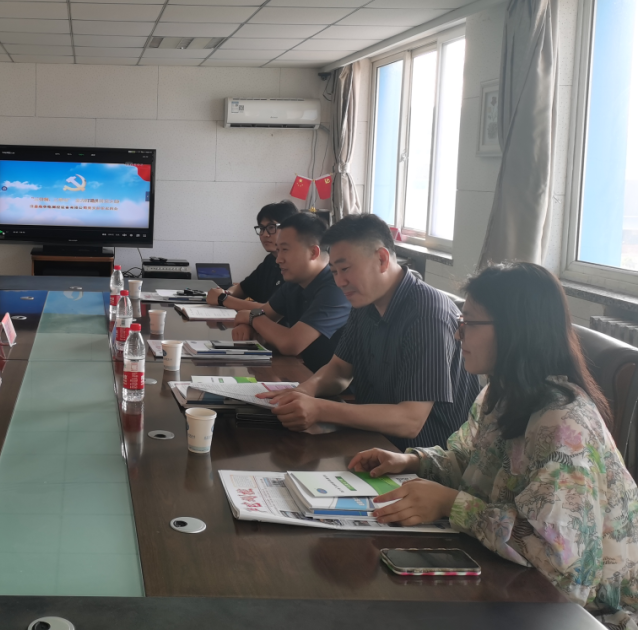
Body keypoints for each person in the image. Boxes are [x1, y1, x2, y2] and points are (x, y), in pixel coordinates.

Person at [349, 263, 638, 627]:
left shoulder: (563, 422)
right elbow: (473, 462)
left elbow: (559, 562)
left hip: (590, 615)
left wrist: (452, 504)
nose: (458, 334)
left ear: (515, 330)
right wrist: (413, 462)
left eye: (469, 323)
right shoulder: (500, 393)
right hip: (512, 582)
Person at [260, 214, 479, 449]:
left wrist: (321, 409)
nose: (340, 282)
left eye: (345, 269)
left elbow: (410, 421)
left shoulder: (427, 314)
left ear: (382, 259)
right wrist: (303, 391)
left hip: (422, 457)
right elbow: (339, 370)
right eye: (334, 272)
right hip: (373, 441)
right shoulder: (364, 302)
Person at [230, 213, 351, 372]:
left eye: (285, 250)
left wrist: (251, 317)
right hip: (304, 373)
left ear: (313, 252)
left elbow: (291, 344)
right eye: (278, 250)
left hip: (333, 384)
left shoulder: (336, 288)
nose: (278, 259)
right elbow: (264, 314)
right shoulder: (295, 282)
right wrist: (249, 326)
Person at [206, 201, 299, 311]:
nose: (265, 234)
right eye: (262, 228)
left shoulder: (297, 268)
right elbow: (243, 288)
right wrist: (226, 293)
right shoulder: (270, 260)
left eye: (271, 227)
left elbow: (272, 311)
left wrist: (223, 299)